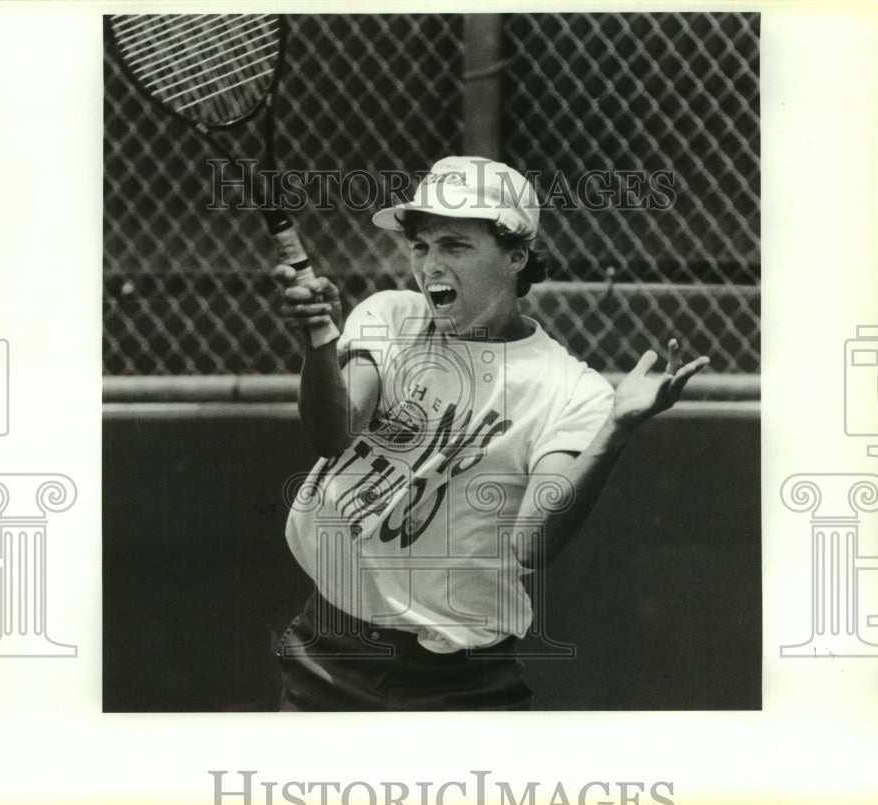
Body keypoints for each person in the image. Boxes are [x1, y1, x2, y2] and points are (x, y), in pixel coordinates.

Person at [272, 156, 709, 711]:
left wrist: (618, 429)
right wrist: (317, 344)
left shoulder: (572, 391)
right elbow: (335, 435)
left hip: (460, 683)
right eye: (421, 246)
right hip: (329, 652)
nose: (431, 265)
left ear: (516, 255)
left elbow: (531, 545)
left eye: (456, 246)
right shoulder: (390, 318)